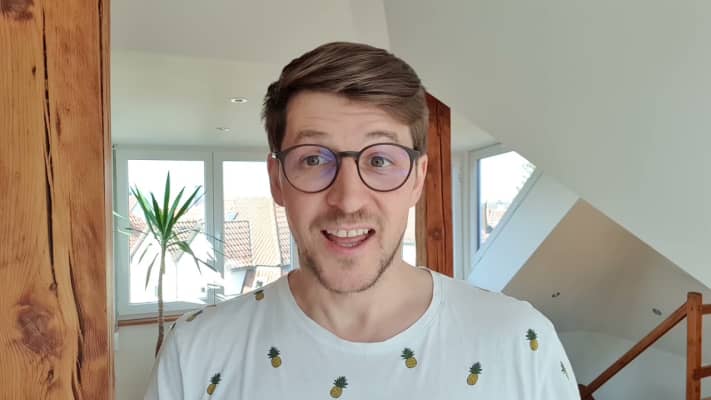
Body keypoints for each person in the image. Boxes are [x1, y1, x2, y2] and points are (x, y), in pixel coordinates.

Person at [145, 42, 580, 400]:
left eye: (380, 160)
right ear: (277, 180)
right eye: (313, 159)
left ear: (417, 180)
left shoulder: (522, 343)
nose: (348, 199)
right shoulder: (195, 353)